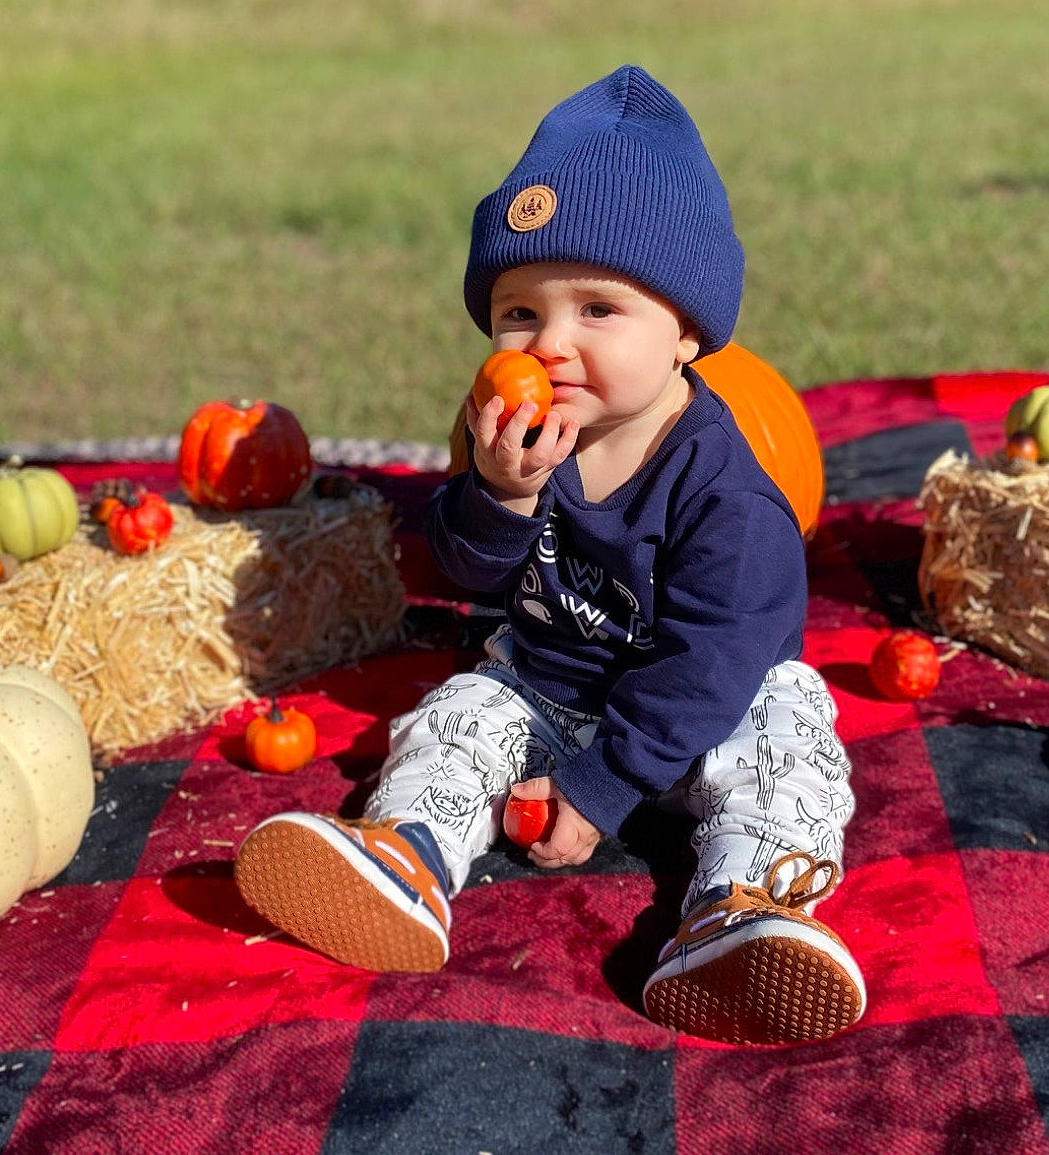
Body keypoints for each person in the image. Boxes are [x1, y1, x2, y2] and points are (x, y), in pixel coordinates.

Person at [234, 65, 864, 1045]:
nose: (552, 343)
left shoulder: (728, 496)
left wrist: (600, 785)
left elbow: (710, 666)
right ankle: (407, 857)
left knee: (790, 744)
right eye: (521, 312)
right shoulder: (515, 442)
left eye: (597, 310)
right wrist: (503, 494)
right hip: (555, 688)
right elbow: (465, 573)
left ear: (687, 331)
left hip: (709, 705)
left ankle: (744, 907)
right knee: (459, 712)